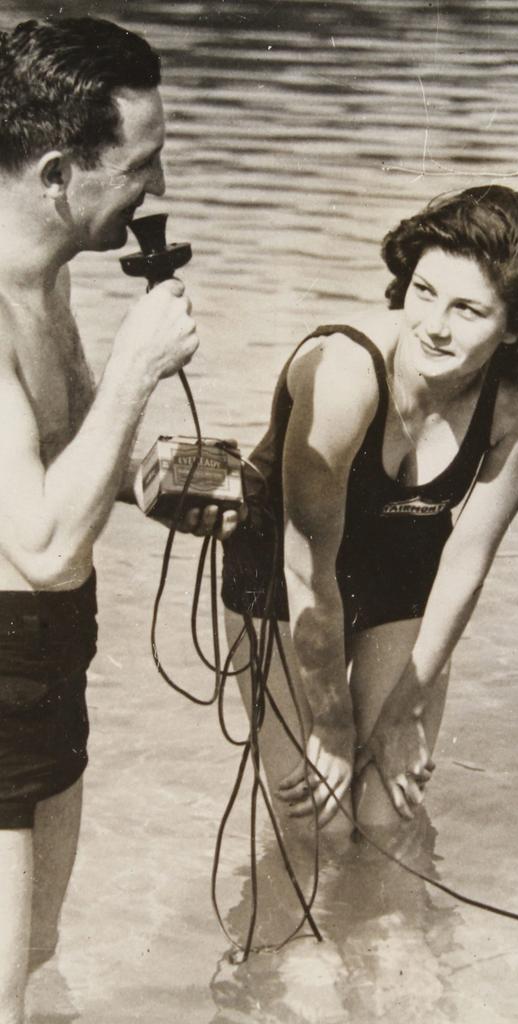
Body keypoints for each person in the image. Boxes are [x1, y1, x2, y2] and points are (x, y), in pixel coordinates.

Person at [0, 16, 230, 1024]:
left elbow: (68, 467)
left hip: (49, 661)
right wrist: (140, 365)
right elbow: (42, 545)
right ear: (59, 169)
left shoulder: (40, 277)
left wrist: (192, 484)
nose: (159, 190)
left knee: (36, 953)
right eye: (143, 163)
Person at [223, 184, 518, 836]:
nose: (433, 325)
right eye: (423, 290)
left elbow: (468, 557)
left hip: (402, 571)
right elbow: (308, 573)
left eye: (468, 309)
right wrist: (331, 724)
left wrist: (400, 713)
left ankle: (395, 938)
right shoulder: (345, 378)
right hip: (283, 577)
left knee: (387, 815)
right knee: (316, 823)